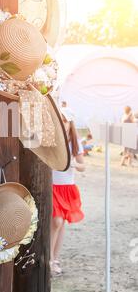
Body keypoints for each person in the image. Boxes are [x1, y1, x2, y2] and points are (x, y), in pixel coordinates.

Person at [50, 107, 85, 276]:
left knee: (61, 223)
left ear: (71, 123)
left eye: (66, 121)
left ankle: (55, 259)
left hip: (67, 186)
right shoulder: (52, 138)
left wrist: (73, 163)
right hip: (53, 186)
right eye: (61, 120)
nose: (63, 124)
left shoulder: (75, 141)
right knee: (56, 222)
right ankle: (49, 259)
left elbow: (83, 166)